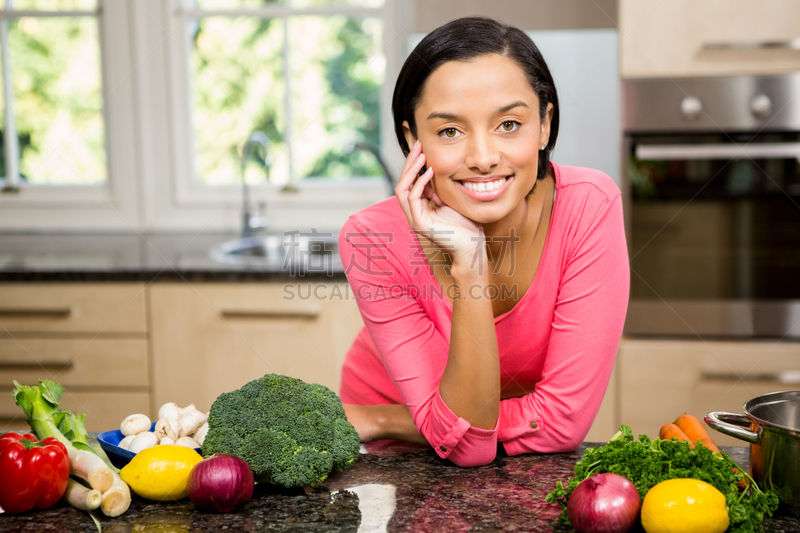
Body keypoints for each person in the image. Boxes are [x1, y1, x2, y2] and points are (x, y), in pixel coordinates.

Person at [338, 17, 629, 467]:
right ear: (413, 139)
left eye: (509, 124)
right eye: (449, 131)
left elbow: (561, 424)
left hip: (378, 421)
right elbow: (469, 447)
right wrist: (469, 262)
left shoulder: (588, 207)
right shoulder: (370, 238)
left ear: (545, 124)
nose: (483, 158)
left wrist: (385, 421)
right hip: (389, 455)